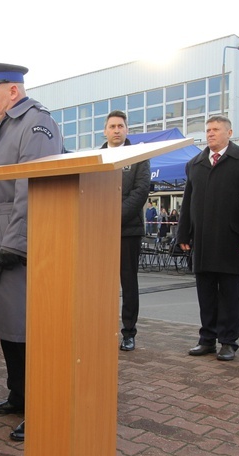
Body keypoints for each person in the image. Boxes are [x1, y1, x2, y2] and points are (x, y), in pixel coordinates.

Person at [0, 62, 63, 442]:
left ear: (13, 91)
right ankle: (18, 395)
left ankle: (42, 405)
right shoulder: (6, 124)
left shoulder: (36, 124)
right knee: (9, 326)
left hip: (16, 237)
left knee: (28, 328)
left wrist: (16, 246)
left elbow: (32, 187)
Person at [178, 115, 239, 361]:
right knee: (206, 294)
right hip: (202, 240)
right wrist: (183, 233)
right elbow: (187, 201)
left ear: (229, 133)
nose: (210, 134)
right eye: (208, 130)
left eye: (216, 130)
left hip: (232, 239)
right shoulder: (196, 163)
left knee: (230, 295)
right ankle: (207, 339)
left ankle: (228, 341)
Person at [99, 110, 150, 351]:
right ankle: (100, 327)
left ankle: (129, 332)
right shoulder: (96, 156)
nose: (117, 130)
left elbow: (141, 192)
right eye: (113, 126)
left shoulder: (138, 156)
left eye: (121, 126)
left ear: (127, 130)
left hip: (127, 230)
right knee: (98, 282)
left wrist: (113, 216)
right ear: (105, 131)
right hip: (97, 230)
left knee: (128, 283)